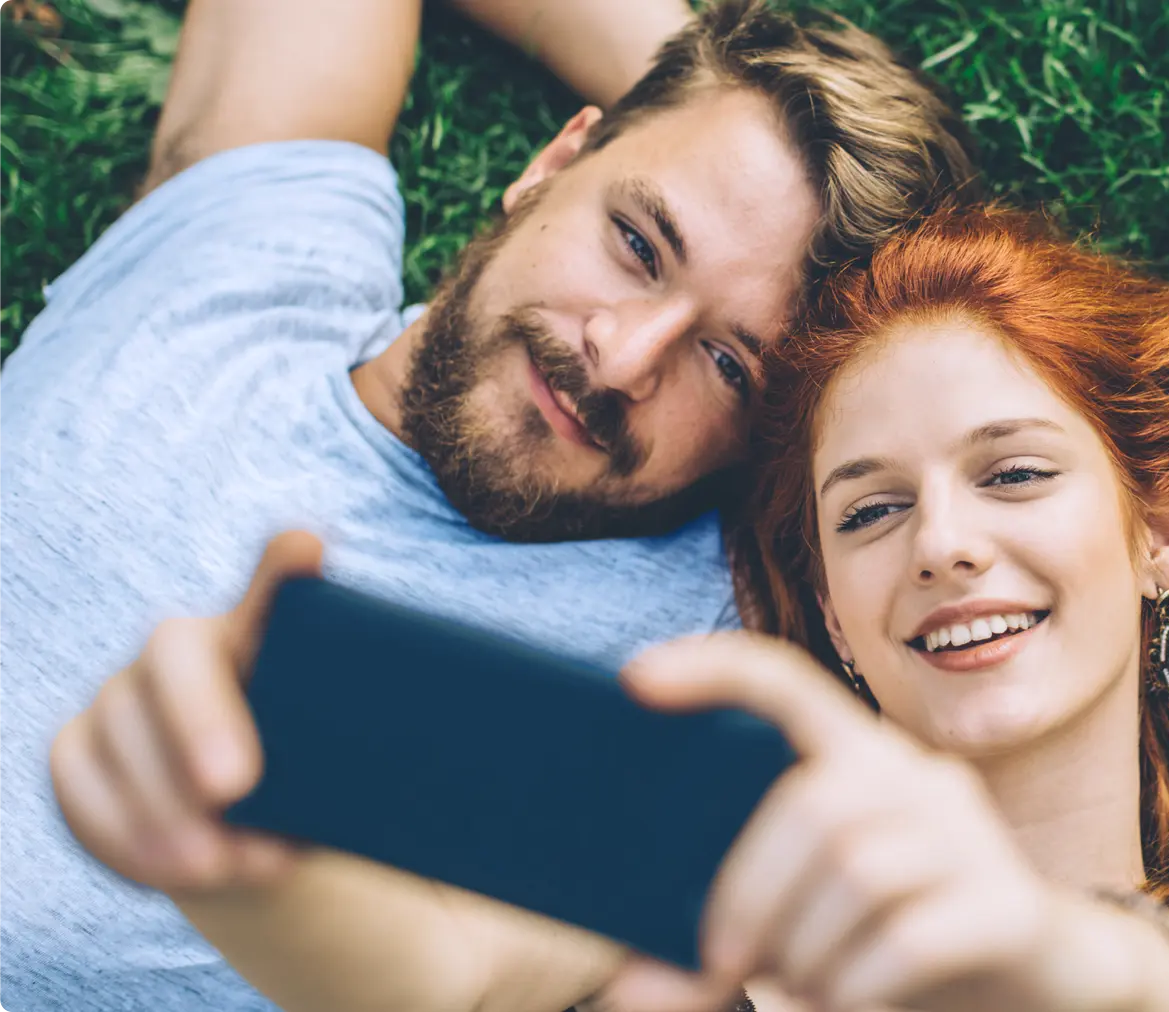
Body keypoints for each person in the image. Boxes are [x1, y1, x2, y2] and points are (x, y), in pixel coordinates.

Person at [53, 203, 1169, 1012]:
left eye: (1009, 473)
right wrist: (233, 855)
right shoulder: (709, 890)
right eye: (869, 509)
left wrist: (1054, 957)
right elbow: (441, 977)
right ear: (830, 607)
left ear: (1157, 537)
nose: (941, 543)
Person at [0, 0, 977, 1005]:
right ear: (552, 166)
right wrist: (730, 72)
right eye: (638, 242)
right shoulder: (252, 237)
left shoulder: (701, 667)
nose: (622, 356)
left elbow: (466, 980)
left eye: (728, 363)